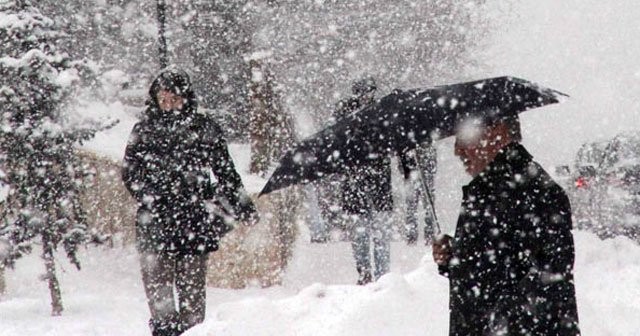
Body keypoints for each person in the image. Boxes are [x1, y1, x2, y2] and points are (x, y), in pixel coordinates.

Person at [122, 68, 258, 336]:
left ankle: (192, 332)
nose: (169, 104)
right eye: (163, 99)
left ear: (185, 98)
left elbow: (226, 174)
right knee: (158, 289)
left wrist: (244, 206)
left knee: (192, 291)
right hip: (156, 221)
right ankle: (164, 331)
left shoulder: (204, 129)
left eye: (174, 99)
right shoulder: (144, 129)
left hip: (193, 218)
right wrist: (152, 197)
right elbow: (130, 173)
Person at [432, 114, 580, 335]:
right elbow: (495, 264)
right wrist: (454, 256)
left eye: (463, 138)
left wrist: (495, 321)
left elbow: (545, 282)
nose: (457, 151)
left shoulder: (531, 192)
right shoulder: (488, 189)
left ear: (497, 131)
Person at [335, 77, 403, 285]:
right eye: (364, 92)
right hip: (356, 179)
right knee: (361, 231)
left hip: (376, 179)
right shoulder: (346, 114)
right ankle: (365, 271)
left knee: (379, 231)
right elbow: (338, 143)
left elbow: (395, 139)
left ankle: (381, 275)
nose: (367, 96)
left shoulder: (381, 112)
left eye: (369, 92)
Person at [403, 140, 438, 245]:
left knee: (427, 205)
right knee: (412, 206)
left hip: (425, 170)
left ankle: (428, 235)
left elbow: (432, 155)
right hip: (411, 171)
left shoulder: (425, 140)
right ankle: (412, 236)